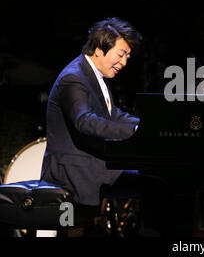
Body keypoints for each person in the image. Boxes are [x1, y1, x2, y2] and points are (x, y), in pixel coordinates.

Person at [40, 17, 173, 235]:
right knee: (155, 188)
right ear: (99, 49)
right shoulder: (74, 78)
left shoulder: (93, 75)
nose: (124, 62)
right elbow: (85, 121)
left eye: (128, 56)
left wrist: (148, 125)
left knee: (155, 185)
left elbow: (113, 115)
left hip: (92, 166)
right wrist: (138, 131)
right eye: (121, 55)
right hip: (74, 171)